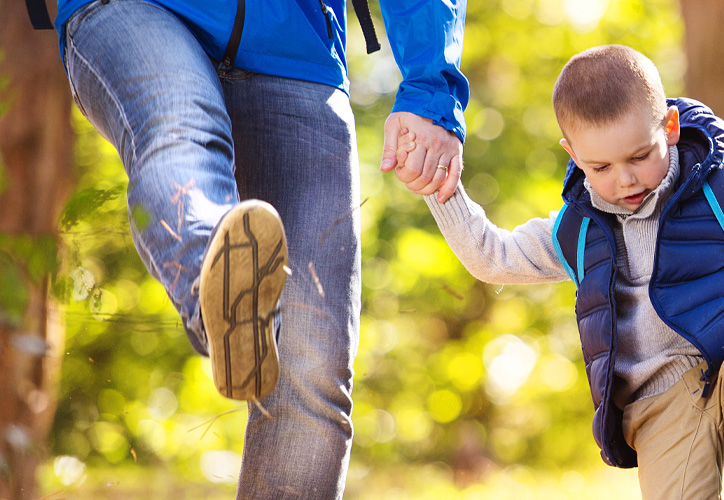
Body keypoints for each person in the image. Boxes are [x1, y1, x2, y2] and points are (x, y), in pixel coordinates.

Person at [54, 0, 468, 497]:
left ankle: (235, 298)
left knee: (310, 365)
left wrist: (429, 87)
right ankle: (224, 295)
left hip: (298, 44)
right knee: (180, 129)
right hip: (137, 10)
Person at [393, 44, 724, 499]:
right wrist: (439, 188)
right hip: (658, 407)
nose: (625, 179)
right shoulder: (577, 231)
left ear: (669, 127)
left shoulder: (723, 188)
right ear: (573, 153)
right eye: (601, 167)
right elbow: (492, 255)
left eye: (640, 156)